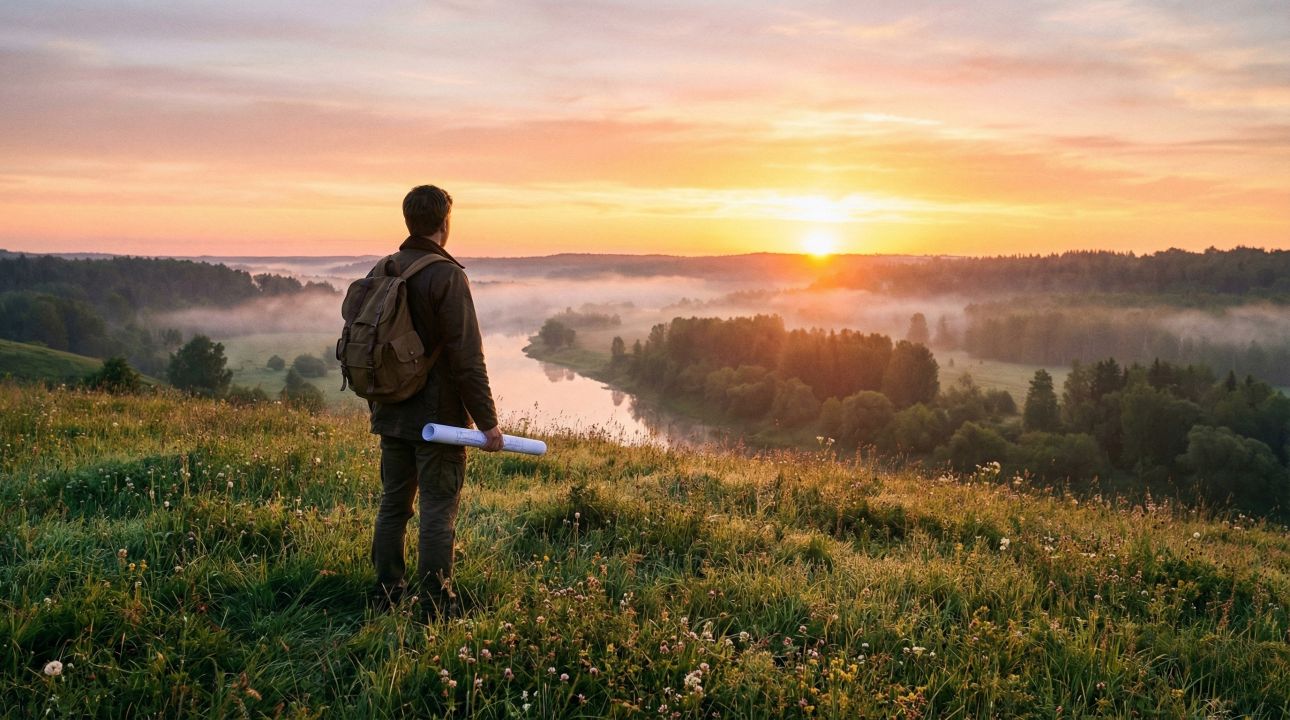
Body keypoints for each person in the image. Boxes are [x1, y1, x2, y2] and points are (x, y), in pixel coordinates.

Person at [368, 184, 503, 618]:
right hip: (438, 421)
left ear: (408, 220)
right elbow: (467, 358)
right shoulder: (447, 276)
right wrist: (488, 423)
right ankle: (432, 606)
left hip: (390, 412)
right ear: (445, 223)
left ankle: (387, 592)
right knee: (437, 511)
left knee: (393, 505)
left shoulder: (383, 269)